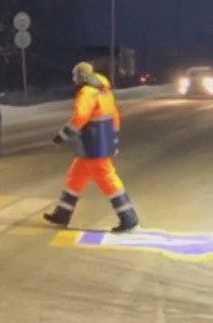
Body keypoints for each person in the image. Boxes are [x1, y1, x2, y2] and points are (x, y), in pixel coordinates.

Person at [43, 62, 140, 233]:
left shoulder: (87, 92)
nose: (74, 80)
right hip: (98, 144)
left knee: (107, 179)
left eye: (75, 77)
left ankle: (128, 217)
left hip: (93, 144)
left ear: (81, 77)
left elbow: (80, 117)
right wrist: (113, 140)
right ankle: (62, 214)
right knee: (76, 178)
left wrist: (62, 136)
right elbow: (115, 117)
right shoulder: (104, 91)